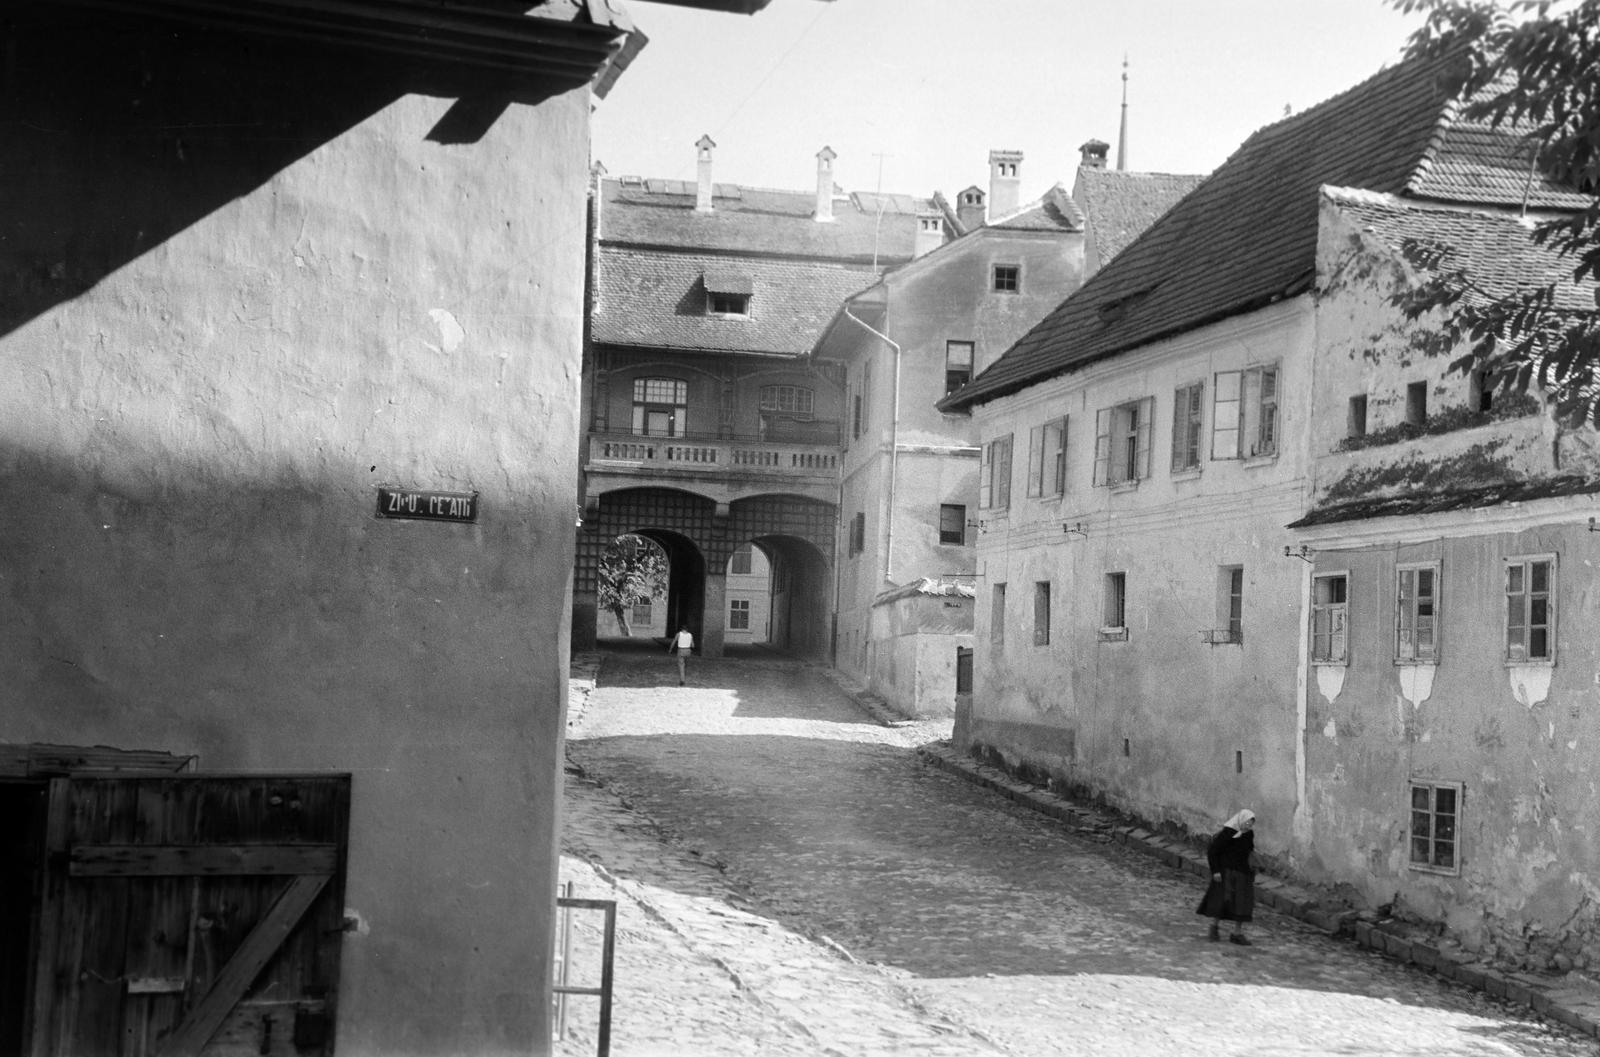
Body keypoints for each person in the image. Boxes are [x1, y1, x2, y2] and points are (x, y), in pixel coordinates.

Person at [1196, 808, 1256, 945]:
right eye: (1247, 822)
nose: (1249, 826)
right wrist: (1215, 871)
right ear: (1241, 820)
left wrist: (1251, 869)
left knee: (1242, 904)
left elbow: (1249, 851)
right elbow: (1213, 852)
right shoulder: (1228, 833)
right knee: (1222, 901)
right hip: (1226, 872)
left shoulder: (1249, 835)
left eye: (1251, 823)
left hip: (1242, 873)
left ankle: (1237, 933)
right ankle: (1214, 927)